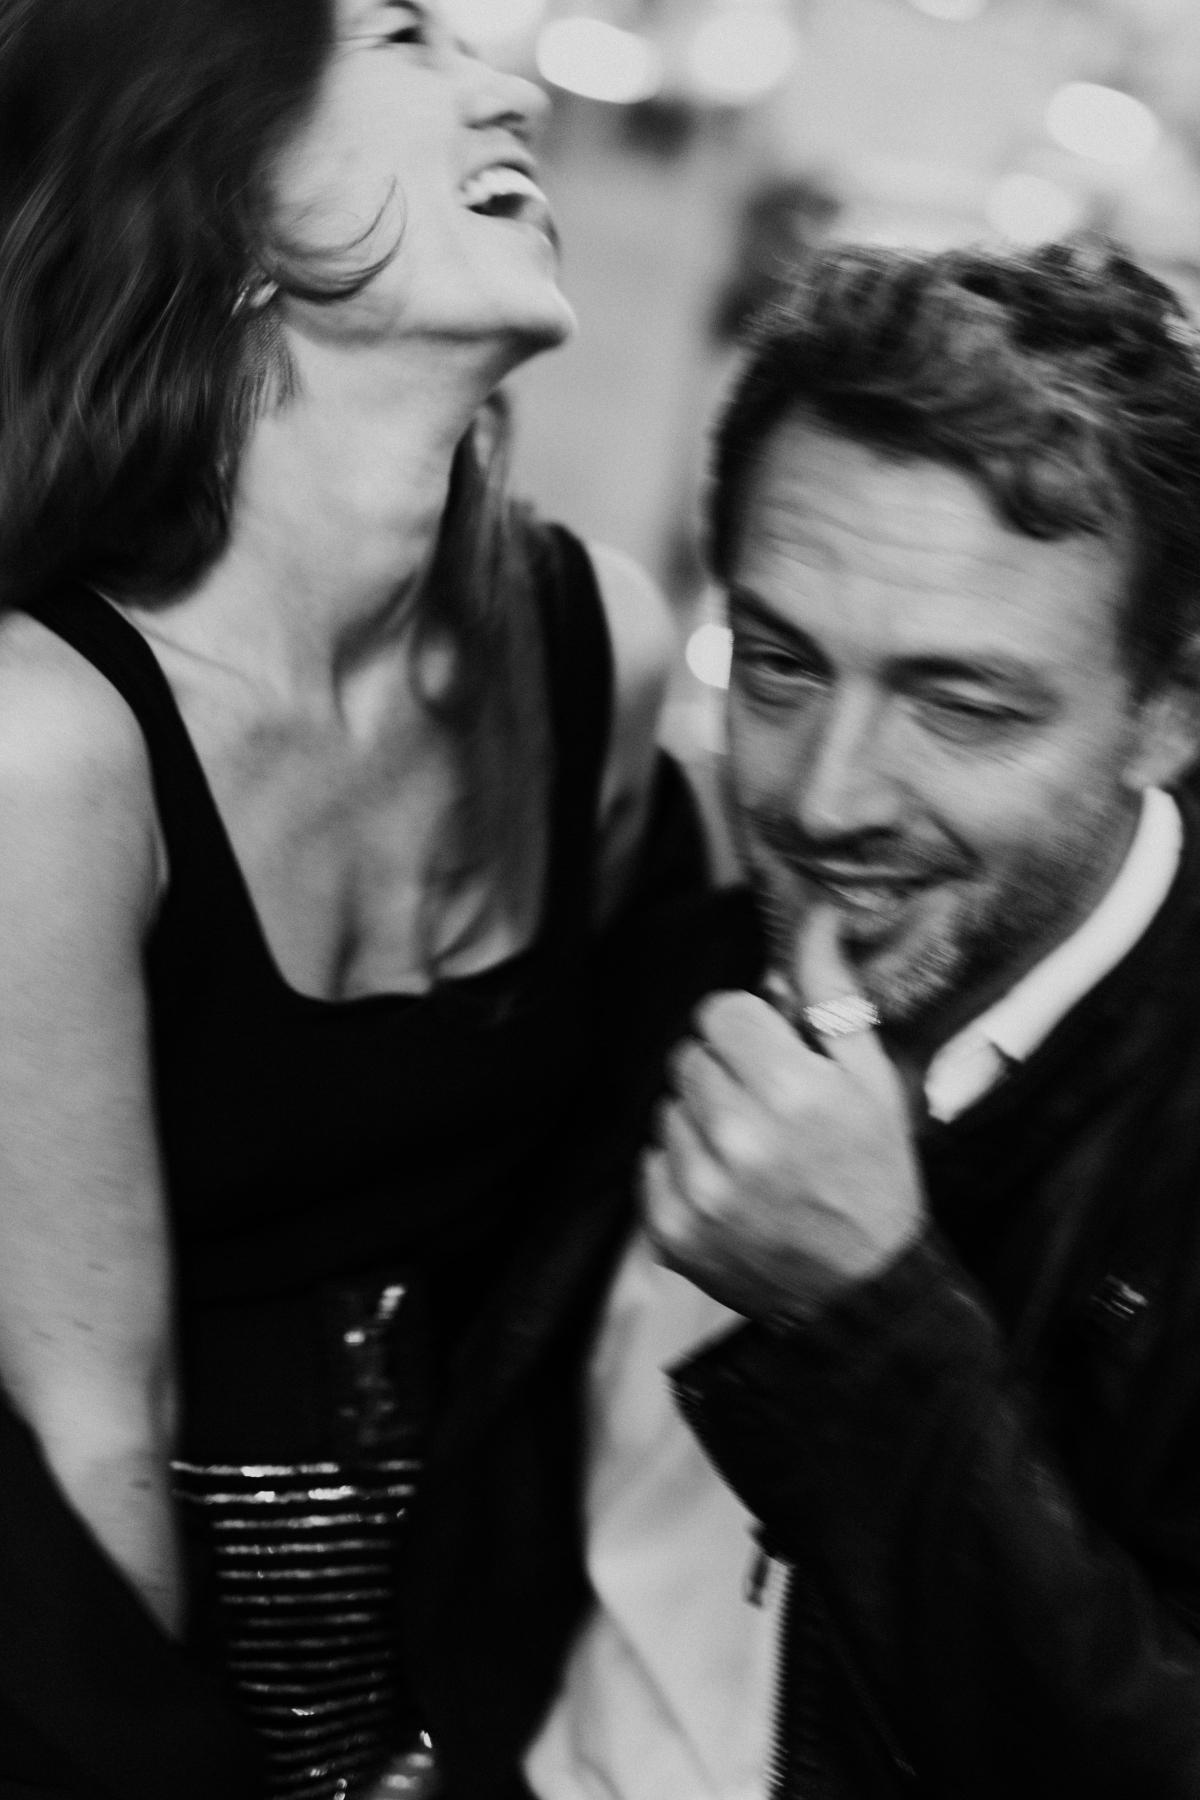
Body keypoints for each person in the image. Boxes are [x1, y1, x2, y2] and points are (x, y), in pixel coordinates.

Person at [0, 4, 705, 1797]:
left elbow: (585, 1266)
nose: (508, 83)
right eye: (403, 36)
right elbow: (94, 1436)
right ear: (220, 186)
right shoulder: (46, 742)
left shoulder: (596, 646)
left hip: (497, 1702)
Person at [403, 239, 1200, 1800]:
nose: (827, 801)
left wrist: (863, 1323)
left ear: (1170, 708)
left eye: (961, 705)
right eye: (777, 667)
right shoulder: (669, 968)